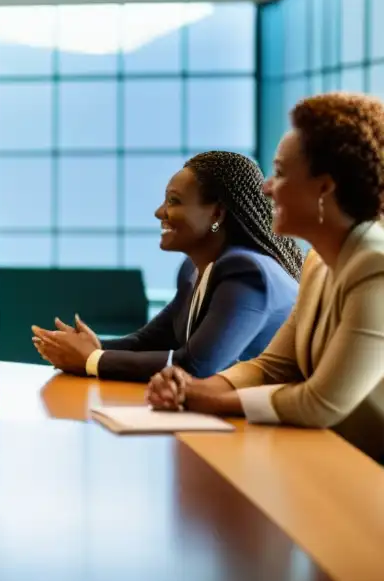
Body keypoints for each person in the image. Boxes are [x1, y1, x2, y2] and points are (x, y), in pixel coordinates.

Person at [147, 93, 384, 462]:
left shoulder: (375, 267)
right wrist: (192, 389)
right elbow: (273, 366)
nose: (267, 187)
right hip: (327, 459)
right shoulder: (318, 263)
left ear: (324, 187)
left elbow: (321, 402)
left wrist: (210, 399)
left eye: (282, 173)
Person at [34, 151, 303, 382]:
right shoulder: (193, 269)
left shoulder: (246, 272)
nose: (159, 212)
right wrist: (89, 347)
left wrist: (92, 359)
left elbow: (198, 366)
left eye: (174, 201)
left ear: (217, 214)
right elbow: (147, 342)